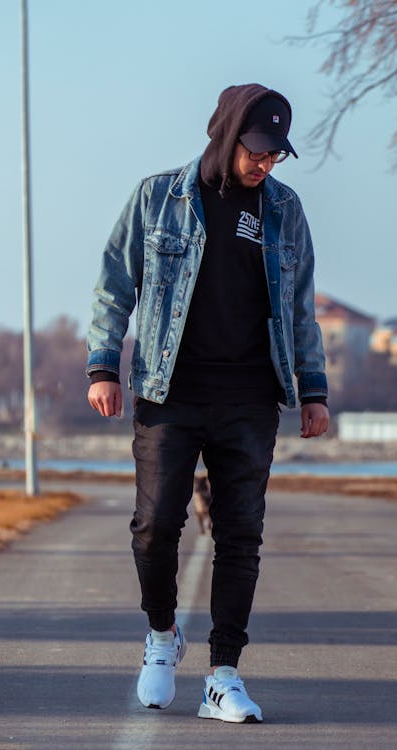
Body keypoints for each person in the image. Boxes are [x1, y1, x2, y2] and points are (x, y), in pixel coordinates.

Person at [86, 83, 329, 723]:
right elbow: (115, 285)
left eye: (276, 154)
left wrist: (314, 390)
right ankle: (162, 637)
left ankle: (223, 675)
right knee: (155, 525)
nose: (266, 163)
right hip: (171, 393)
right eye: (257, 150)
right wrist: (102, 366)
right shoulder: (157, 198)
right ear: (224, 136)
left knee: (240, 534)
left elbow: (301, 307)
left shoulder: (285, 211)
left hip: (251, 397)